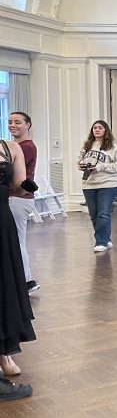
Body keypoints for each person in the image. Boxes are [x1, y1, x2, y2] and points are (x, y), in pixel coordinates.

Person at [0, 136, 35, 401]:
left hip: (1, 221)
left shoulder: (10, 148)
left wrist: (26, 186)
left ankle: (4, 355)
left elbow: (18, 187)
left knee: (4, 286)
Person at [77, 120, 117, 253]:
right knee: (94, 214)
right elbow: (79, 161)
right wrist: (81, 165)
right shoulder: (86, 146)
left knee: (103, 213)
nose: (97, 130)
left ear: (106, 130)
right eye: (95, 128)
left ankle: (101, 242)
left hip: (108, 183)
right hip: (89, 184)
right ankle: (106, 238)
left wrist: (100, 167)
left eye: (100, 128)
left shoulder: (112, 147)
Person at [7, 112, 38, 295]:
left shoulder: (25, 147)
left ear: (28, 125)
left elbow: (11, 174)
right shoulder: (17, 146)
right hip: (17, 198)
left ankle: (26, 281)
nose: (13, 125)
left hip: (17, 199)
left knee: (17, 241)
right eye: (10, 122)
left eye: (17, 122)